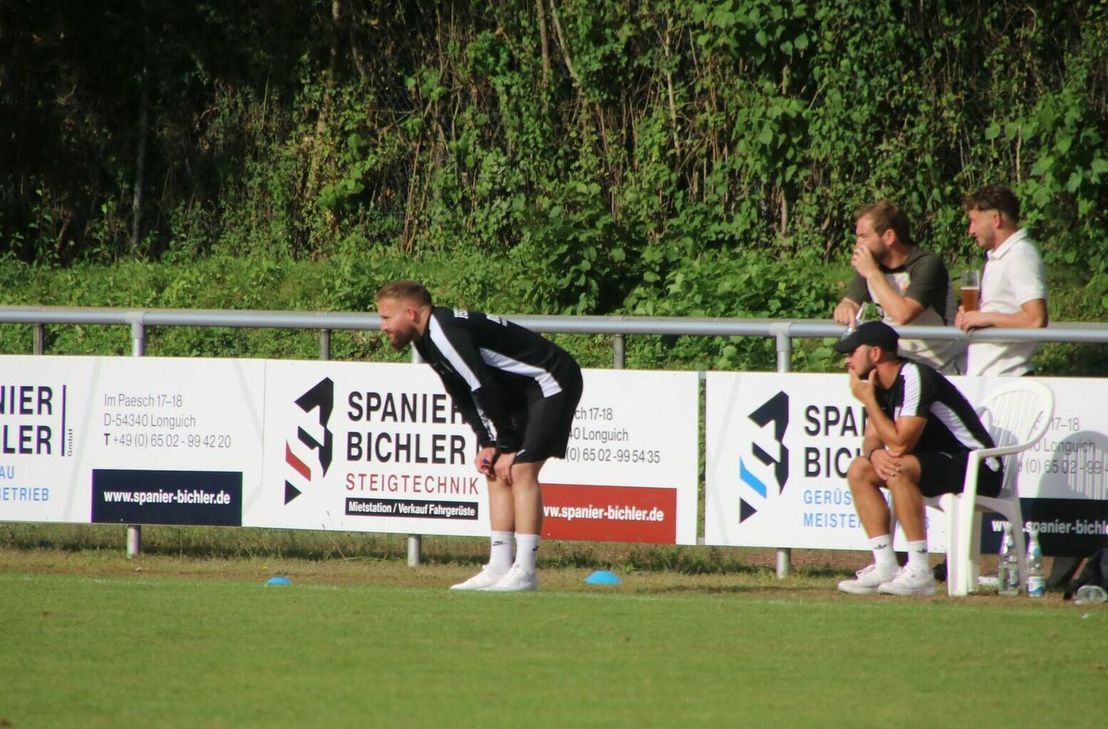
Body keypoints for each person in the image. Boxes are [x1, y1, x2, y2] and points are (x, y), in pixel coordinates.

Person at [375, 281, 583, 592]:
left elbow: (480, 385)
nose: (382, 326)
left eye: (386, 317)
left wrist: (508, 445)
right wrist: (488, 443)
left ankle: (525, 571)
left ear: (410, 313)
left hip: (551, 379)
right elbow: (459, 391)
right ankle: (499, 567)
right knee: (494, 470)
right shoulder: (425, 340)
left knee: (521, 470)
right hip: (519, 390)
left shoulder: (443, 332)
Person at [834, 321, 1003, 596]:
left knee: (898, 468)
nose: (847, 360)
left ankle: (919, 570)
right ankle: (885, 564)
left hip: (978, 466)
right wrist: (875, 454)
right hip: (935, 462)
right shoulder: (877, 384)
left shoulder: (915, 377)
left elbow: (901, 444)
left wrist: (868, 401)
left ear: (875, 353)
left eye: (853, 352)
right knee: (859, 469)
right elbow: (871, 439)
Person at [833, 200, 964, 373]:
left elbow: (903, 315)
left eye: (864, 237)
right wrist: (845, 307)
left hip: (939, 370)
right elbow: (850, 301)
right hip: (896, 368)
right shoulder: (872, 264)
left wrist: (872, 273)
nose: (857, 244)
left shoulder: (927, 264)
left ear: (889, 236)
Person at [956, 185, 1048, 376]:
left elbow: (1036, 319)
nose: (970, 230)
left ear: (996, 219)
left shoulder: (1020, 254)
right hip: (989, 376)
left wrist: (985, 317)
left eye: (974, 221)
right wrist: (971, 316)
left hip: (1008, 377)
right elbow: (1001, 307)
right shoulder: (999, 256)